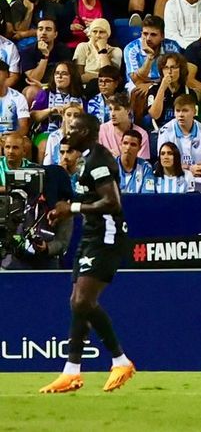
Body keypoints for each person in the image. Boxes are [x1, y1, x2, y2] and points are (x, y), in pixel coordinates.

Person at [37, 112, 137, 394]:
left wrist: (73, 208)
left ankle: (120, 360)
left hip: (107, 237)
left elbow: (113, 202)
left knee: (82, 301)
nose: (70, 131)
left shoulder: (98, 159)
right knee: (78, 302)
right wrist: (65, 207)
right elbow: (92, 198)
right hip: (91, 235)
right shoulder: (86, 159)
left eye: (76, 127)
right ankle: (72, 372)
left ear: (89, 133)